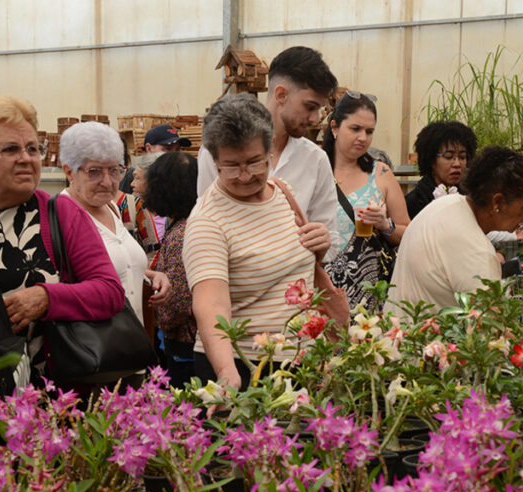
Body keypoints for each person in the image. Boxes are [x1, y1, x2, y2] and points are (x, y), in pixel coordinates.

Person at [0, 96, 124, 385]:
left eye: (32, 148)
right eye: (10, 149)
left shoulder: (60, 213)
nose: (26, 158)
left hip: (53, 398)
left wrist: (46, 298)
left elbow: (109, 292)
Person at [183, 94, 333, 390]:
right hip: (248, 366)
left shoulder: (282, 191)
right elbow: (211, 304)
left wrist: (319, 247)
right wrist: (227, 372)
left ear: (269, 151)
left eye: (254, 162)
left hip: (303, 361)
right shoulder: (207, 221)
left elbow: (295, 267)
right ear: (214, 161)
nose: (244, 175)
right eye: (230, 166)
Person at [196, 46, 341, 261]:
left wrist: (322, 242)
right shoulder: (217, 150)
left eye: (319, 109)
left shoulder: (315, 159)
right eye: (310, 107)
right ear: (281, 94)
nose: (314, 118)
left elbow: (331, 242)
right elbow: (205, 227)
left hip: (296, 289)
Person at [385, 147, 523, 313]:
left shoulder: (447, 204)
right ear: (498, 203)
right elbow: (490, 326)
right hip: (422, 337)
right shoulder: (475, 250)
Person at [58, 121, 170, 325]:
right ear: (69, 172)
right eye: (94, 172)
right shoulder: (60, 217)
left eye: (115, 170)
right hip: (94, 349)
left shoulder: (111, 208)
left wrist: (149, 275)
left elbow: (114, 269)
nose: (108, 182)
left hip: (131, 342)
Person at [322, 91, 409, 309]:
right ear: (334, 127)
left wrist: (385, 225)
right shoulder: (315, 170)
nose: (363, 137)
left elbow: (408, 232)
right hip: (320, 291)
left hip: (368, 296)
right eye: (355, 129)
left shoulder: (380, 173)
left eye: (369, 131)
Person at [139, 151, 199, 387]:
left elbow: (178, 301)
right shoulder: (189, 223)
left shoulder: (182, 234)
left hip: (185, 342)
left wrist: (157, 318)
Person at [403, 120, 477, 220]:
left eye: (462, 157)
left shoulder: (472, 198)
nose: (457, 164)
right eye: (449, 157)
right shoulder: (414, 202)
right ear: (432, 160)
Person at [118, 124, 191, 194]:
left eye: (177, 150)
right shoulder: (132, 177)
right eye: (168, 149)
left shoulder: (179, 177)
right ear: (149, 149)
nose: (174, 155)